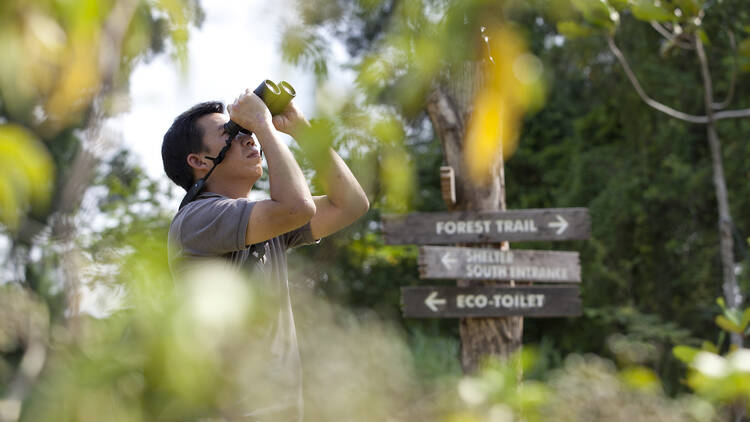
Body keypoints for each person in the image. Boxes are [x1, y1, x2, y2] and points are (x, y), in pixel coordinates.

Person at [161, 89, 369, 421]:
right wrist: (262, 125)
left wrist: (299, 126)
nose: (248, 138)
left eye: (247, 132)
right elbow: (297, 207)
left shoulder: (264, 222)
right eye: (231, 132)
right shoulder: (196, 222)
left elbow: (351, 204)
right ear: (198, 161)